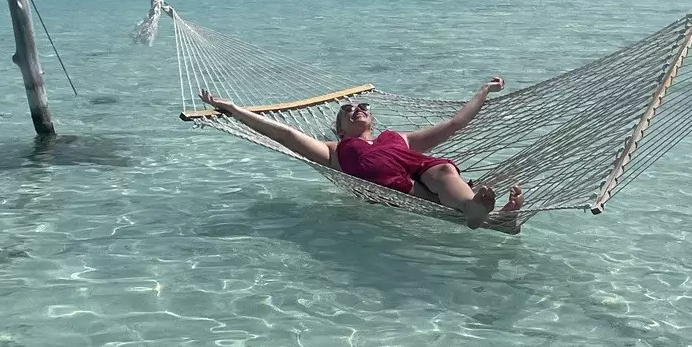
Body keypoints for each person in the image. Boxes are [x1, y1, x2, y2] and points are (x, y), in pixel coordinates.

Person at [195, 79, 525, 231]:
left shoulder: (399, 138)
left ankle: (478, 210)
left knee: (441, 170)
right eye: (347, 109)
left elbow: (455, 123)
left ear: (372, 119)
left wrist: (483, 91)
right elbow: (284, 134)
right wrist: (234, 110)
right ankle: (494, 218)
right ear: (339, 129)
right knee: (438, 181)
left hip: (434, 184)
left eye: (362, 106)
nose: (356, 109)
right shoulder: (334, 151)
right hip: (405, 194)